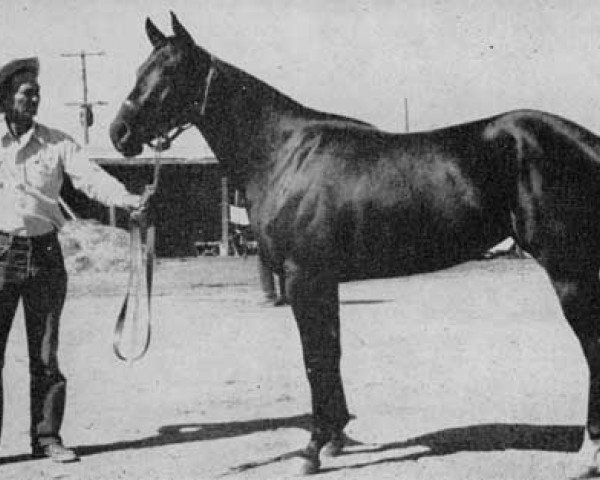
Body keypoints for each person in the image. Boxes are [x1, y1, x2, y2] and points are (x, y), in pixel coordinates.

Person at [0, 57, 141, 462]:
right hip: (1, 254)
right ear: (6, 97)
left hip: (45, 255)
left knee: (45, 355)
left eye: (37, 92)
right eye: (26, 91)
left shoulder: (58, 143)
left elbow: (91, 178)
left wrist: (129, 200)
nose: (34, 97)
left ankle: (47, 438)